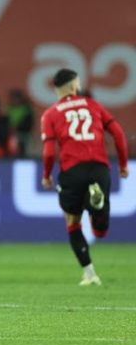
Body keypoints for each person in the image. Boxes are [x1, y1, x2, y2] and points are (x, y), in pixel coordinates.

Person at [40, 68, 128, 286]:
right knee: (100, 231)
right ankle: (95, 203)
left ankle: (89, 273)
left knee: (73, 222)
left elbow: (50, 151)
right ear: (73, 86)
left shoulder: (50, 114)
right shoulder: (93, 105)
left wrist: (46, 175)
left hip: (72, 170)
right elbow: (118, 133)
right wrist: (124, 165)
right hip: (99, 167)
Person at [7, 88, 34, 157]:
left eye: (17, 98)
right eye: (13, 98)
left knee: (25, 149)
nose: (15, 100)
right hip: (12, 134)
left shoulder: (26, 109)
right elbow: (6, 121)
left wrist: (17, 128)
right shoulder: (9, 109)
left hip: (24, 134)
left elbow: (28, 122)